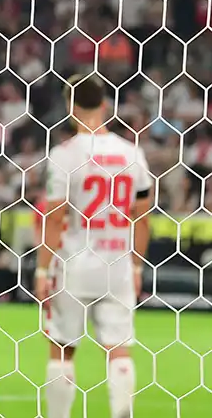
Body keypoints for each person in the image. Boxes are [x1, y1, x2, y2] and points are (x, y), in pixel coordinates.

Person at [36, 74, 152, 418]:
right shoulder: (131, 152)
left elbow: (54, 217)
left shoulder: (64, 154)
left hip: (74, 262)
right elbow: (141, 215)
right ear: (104, 104)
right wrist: (136, 266)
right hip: (117, 261)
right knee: (118, 348)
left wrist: (42, 269)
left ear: (70, 106)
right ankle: (122, 414)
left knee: (62, 347)